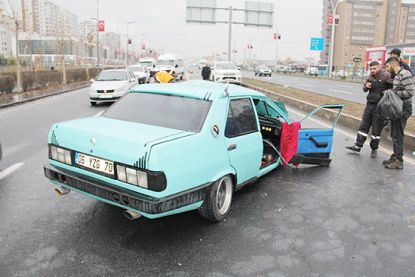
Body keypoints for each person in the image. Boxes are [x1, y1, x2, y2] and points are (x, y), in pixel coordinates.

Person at [346, 61, 392, 157]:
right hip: (369, 105)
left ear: (379, 67)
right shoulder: (371, 77)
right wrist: (366, 86)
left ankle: (374, 149)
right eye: (371, 69)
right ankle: (358, 146)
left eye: (374, 68)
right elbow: (364, 89)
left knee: (376, 129)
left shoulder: (386, 76)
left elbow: (393, 88)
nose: (372, 70)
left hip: (380, 106)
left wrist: (386, 92)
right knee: (364, 126)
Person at [383, 57, 414, 169]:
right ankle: (395, 156)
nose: (386, 69)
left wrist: (393, 93)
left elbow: (410, 92)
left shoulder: (405, 74)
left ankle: (399, 160)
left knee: (398, 135)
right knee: (394, 134)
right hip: (397, 108)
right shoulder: (397, 75)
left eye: (387, 66)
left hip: (403, 108)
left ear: (392, 65)